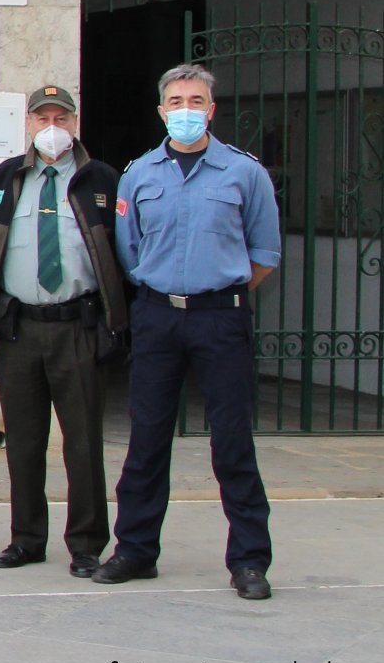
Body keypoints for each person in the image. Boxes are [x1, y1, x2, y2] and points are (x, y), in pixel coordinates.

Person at [95, 63, 282, 601]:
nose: (185, 110)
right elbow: (130, 251)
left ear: (211, 108)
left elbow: (264, 253)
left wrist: (217, 290)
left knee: (231, 443)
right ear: (160, 110)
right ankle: (134, 549)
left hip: (221, 317)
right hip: (157, 317)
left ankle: (248, 560)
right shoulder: (139, 175)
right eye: (175, 101)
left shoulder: (244, 173)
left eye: (194, 100)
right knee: (147, 439)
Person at [0, 84, 129, 578]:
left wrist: (116, 323)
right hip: (19, 328)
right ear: (27, 123)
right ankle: (27, 539)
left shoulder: (100, 178)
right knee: (22, 440)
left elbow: (124, 253)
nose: (51, 128)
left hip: (77, 327)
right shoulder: (6, 177)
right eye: (42, 118)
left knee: (82, 441)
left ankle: (85, 542)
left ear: (74, 122)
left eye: (60, 118)